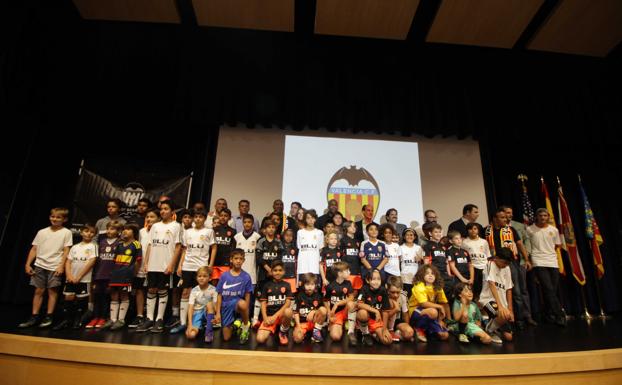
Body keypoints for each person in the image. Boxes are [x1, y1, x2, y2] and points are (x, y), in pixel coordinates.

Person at [19, 208, 73, 329]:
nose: (55, 219)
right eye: (53, 216)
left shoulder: (66, 232)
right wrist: (28, 264)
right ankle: (34, 316)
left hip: (54, 266)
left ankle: (49, 316)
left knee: (52, 292)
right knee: (38, 291)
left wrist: (61, 265)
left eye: (58, 217)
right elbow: (34, 248)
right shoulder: (42, 232)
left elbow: (66, 250)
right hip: (39, 265)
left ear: (64, 219)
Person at [484, 207, 536, 329]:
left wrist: (526, 259)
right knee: (501, 289)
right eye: (502, 217)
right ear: (494, 218)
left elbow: (519, 244)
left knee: (517, 290)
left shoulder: (511, 229)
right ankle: (506, 318)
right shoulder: (486, 230)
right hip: (494, 263)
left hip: (510, 262)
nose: (505, 219)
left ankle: (523, 318)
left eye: (506, 217)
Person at [137, 200, 182, 333]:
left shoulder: (176, 226)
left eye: (166, 209)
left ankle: (159, 319)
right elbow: (150, 244)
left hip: (165, 265)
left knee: (163, 291)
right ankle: (149, 319)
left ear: (172, 211)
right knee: (151, 290)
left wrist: (171, 265)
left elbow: (178, 247)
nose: (163, 211)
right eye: (161, 209)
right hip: (153, 265)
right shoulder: (155, 226)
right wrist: (146, 263)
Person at [170, 209, 215, 334]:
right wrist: (180, 265)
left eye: (201, 217)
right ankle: (183, 322)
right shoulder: (188, 232)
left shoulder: (209, 231)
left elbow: (214, 248)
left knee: (202, 295)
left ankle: (199, 322)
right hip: (188, 266)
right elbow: (184, 250)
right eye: (196, 216)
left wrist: (210, 265)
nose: (198, 219)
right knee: (185, 293)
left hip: (201, 266)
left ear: (205, 218)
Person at [52, 224, 97, 330]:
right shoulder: (75, 247)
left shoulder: (93, 246)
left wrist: (80, 276)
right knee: (69, 297)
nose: (88, 234)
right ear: (81, 232)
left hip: (84, 279)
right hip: (71, 278)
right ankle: (67, 320)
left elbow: (92, 261)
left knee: (81, 299)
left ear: (94, 235)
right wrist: (69, 275)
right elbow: (68, 261)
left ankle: (78, 320)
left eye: (91, 232)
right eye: (86, 231)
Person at [527, 208, 566, 327]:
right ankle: (560, 315)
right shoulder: (530, 229)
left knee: (551, 290)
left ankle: (547, 314)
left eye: (545, 216)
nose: (543, 218)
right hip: (538, 261)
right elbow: (528, 246)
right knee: (548, 289)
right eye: (541, 215)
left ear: (548, 217)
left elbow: (557, 245)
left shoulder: (553, 230)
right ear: (537, 217)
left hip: (552, 261)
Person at [503, 205, 536, 328]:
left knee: (524, 290)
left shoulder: (519, 226)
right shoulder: (499, 227)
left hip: (521, 261)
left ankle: (528, 316)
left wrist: (527, 257)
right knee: (515, 291)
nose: (509, 215)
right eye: (507, 212)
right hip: (509, 262)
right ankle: (519, 318)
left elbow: (525, 241)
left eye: (511, 212)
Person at [87, 220, 122, 329]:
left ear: (118, 231)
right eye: (108, 228)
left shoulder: (119, 244)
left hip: (111, 276)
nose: (109, 231)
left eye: (112, 229)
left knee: (108, 297)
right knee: (97, 296)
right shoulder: (101, 243)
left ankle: (104, 317)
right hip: (99, 275)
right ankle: (95, 317)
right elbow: (97, 260)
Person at [128, 208, 160, 328]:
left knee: (153, 290)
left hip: (155, 265)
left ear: (158, 219)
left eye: (152, 217)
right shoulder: (141, 232)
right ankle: (140, 315)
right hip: (141, 266)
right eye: (147, 217)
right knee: (140, 290)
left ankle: (152, 316)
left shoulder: (159, 231)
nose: (149, 219)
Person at [107, 223, 142, 330]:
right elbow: (114, 260)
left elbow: (138, 261)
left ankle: (121, 320)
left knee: (124, 295)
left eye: (128, 229)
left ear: (134, 233)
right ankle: (112, 319)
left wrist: (133, 273)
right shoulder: (119, 244)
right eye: (124, 230)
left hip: (126, 274)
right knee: (113, 295)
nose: (125, 231)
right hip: (116, 274)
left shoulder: (136, 244)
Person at [215, 249, 253, 343]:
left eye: (241, 259)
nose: (238, 261)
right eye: (236, 258)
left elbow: (248, 296)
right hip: (226, 305)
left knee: (243, 304)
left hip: (237, 304)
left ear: (243, 260)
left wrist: (246, 312)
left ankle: (245, 327)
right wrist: (218, 313)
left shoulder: (246, 276)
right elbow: (219, 294)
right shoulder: (224, 276)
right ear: (231, 260)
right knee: (226, 338)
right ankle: (234, 326)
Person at [479, 248, 515, 344]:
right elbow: (491, 284)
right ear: (496, 258)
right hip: (488, 299)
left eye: (507, 263)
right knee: (504, 315)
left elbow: (509, 289)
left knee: (509, 337)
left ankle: (492, 324)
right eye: (504, 262)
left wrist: (510, 309)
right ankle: (488, 330)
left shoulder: (507, 268)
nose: (505, 265)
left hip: (502, 304)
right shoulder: (490, 264)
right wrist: (500, 306)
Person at [252, 221, 283, 327]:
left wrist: (273, 271)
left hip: (274, 273)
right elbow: (259, 258)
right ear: (265, 229)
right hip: (262, 273)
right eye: (268, 227)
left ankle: (271, 318)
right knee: (259, 295)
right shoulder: (261, 241)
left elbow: (279, 258)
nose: (271, 229)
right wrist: (267, 269)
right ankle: (255, 319)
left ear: (275, 229)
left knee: (272, 295)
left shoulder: (278, 242)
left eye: (273, 227)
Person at [407, 265, 449, 343]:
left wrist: (441, 320)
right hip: (416, 311)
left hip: (430, 314)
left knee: (444, 335)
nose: (430, 275)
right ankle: (417, 328)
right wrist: (439, 307)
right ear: (422, 275)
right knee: (433, 312)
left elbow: (444, 303)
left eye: (433, 274)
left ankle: (428, 329)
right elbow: (423, 304)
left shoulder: (438, 287)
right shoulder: (419, 285)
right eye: (427, 273)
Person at [256, 260, 294, 345]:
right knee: (260, 339)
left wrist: (275, 316)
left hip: (281, 316)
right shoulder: (267, 285)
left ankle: (282, 332)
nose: (278, 272)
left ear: (284, 272)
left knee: (288, 311)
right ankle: (274, 329)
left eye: (280, 270)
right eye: (275, 270)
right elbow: (263, 303)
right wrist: (265, 318)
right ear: (271, 272)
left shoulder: (287, 285)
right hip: (269, 317)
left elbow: (288, 303)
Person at [233, 214, 261, 320]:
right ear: (242, 223)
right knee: (238, 297)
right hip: (239, 274)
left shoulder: (257, 237)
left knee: (250, 299)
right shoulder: (237, 237)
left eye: (249, 222)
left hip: (252, 274)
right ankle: (238, 318)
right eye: (245, 222)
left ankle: (247, 319)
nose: (247, 224)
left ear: (253, 224)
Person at [356, 269, 392, 346]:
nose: (376, 281)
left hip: (376, 320)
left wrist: (384, 329)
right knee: (362, 313)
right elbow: (359, 304)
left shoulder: (383, 290)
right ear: (368, 280)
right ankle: (365, 333)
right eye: (373, 279)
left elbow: (386, 311)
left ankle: (373, 333)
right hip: (366, 317)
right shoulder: (364, 288)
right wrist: (376, 311)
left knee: (387, 341)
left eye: (378, 279)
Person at [324, 261, 356, 344]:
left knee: (351, 304)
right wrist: (329, 312)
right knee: (335, 337)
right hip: (336, 314)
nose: (349, 272)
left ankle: (350, 328)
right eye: (347, 271)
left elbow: (351, 297)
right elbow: (325, 300)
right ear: (340, 273)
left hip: (345, 311)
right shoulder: (330, 286)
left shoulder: (348, 283)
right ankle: (338, 324)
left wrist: (338, 303)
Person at [422, 223, 453, 305]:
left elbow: (446, 262)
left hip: (445, 275)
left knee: (447, 298)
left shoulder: (443, 247)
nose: (438, 234)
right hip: (435, 275)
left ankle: (448, 316)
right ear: (430, 234)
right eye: (436, 232)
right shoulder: (427, 246)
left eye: (439, 232)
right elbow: (426, 262)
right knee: (437, 298)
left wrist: (449, 274)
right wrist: (428, 275)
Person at [186, 266, 217, 342]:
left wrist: (216, 316)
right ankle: (201, 325)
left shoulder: (213, 289)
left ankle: (208, 332)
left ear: (209, 278)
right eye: (199, 276)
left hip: (209, 313)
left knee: (209, 304)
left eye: (204, 276)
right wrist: (190, 325)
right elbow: (190, 308)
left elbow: (216, 307)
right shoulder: (194, 290)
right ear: (196, 278)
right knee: (191, 335)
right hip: (197, 313)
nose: (201, 278)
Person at [293, 273, 326, 343]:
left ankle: (316, 331)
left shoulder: (318, 295)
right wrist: (298, 326)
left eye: (312, 284)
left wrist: (313, 311)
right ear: (303, 285)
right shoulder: (299, 296)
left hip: (314, 322)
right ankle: (305, 334)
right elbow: (295, 312)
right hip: (303, 323)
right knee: (297, 339)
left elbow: (322, 310)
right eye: (307, 285)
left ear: (315, 285)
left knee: (323, 310)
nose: (310, 287)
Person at [461, 222, 490, 300]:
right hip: (473, 268)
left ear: (478, 230)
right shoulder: (464, 242)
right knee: (475, 288)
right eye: (470, 229)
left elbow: (488, 255)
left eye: (475, 229)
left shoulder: (484, 242)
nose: (473, 231)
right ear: (467, 230)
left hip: (484, 267)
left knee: (485, 287)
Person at [296, 209, 324, 285]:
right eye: (308, 218)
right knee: (303, 287)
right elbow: (299, 247)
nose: (310, 220)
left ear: (315, 219)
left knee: (314, 286)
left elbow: (320, 249)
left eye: (312, 218)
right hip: (303, 265)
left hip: (314, 265)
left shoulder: (319, 233)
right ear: (305, 219)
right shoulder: (300, 232)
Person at [210, 208, 237, 285]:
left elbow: (233, 248)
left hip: (226, 262)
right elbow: (210, 248)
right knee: (214, 284)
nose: (223, 217)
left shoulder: (233, 231)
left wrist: (231, 262)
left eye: (225, 216)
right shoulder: (213, 230)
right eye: (221, 215)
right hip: (214, 261)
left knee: (224, 284)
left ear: (229, 217)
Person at [386, 276, 415, 342]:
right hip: (385, 322)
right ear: (387, 289)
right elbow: (383, 317)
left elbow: (405, 313)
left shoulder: (402, 296)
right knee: (386, 340)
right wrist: (395, 309)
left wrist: (407, 327)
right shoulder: (383, 296)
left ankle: (397, 333)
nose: (395, 295)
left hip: (396, 321)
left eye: (398, 292)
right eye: (392, 292)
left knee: (409, 333)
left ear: (401, 289)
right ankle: (390, 332)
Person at [399, 228, 424, 298]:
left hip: (415, 278)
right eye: (407, 235)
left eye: (411, 235)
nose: (409, 237)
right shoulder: (400, 248)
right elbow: (398, 263)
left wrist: (420, 259)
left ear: (415, 237)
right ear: (404, 236)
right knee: (405, 298)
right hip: (404, 278)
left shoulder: (418, 248)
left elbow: (423, 262)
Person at [281, 228, 298, 295]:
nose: (288, 237)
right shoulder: (280, 247)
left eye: (290, 235)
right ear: (283, 236)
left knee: (291, 294)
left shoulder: (295, 248)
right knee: (282, 293)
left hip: (292, 275)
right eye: (286, 235)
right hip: (282, 275)